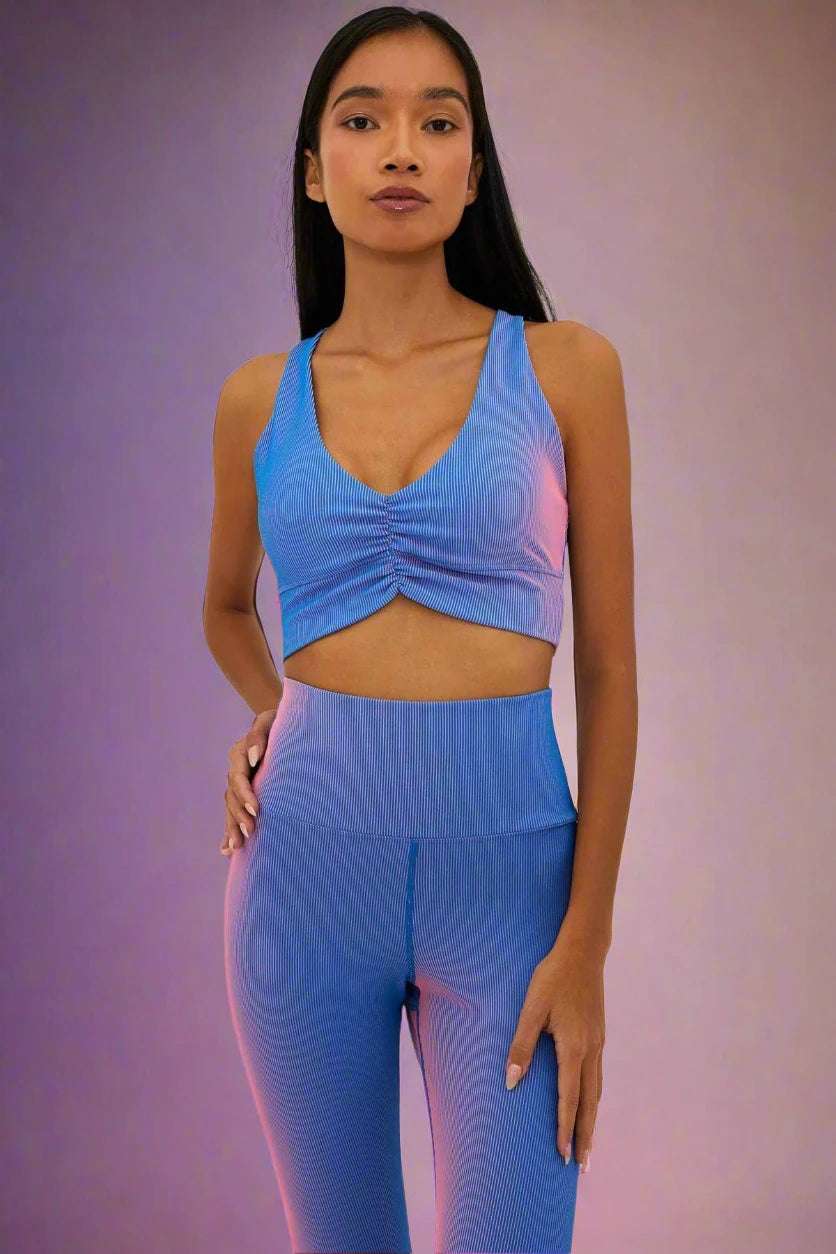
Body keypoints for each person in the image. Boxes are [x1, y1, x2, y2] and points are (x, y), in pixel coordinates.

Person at [202, 8, 637, 1252]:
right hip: (297, 879)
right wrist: (273, 711)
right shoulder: (258, 399)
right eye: (363, 119)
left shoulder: (565, 371)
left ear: (472, 169)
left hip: (511, 890)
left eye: (436, 122)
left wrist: (585, 944)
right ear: (313, 170)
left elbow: (608, 670)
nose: (401, 148)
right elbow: (224, 606)